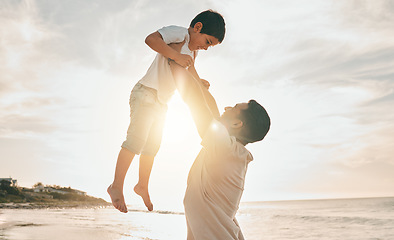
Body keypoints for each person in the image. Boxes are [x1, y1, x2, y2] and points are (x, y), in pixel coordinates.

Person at [107, 10, 226, 213]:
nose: (206, 48)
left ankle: (142, 185)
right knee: (136, 140)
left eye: (210, 47)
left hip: (162, 102)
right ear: (198, 27)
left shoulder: (193, 52)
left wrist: (199, 82)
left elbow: (190, 70)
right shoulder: (180, 34)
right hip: (145, 92)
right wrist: (175, 55)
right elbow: (151, 39)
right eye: (207, 42)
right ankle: (116, 185)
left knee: (152, 146)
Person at [169, 56, 271, 239]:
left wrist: (174, 62)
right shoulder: (230, 150)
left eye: (233, 108)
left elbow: (198, 105)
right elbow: (211, 105)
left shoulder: (224, 148)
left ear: (237, 124)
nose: (226, 107)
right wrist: (192, 72)